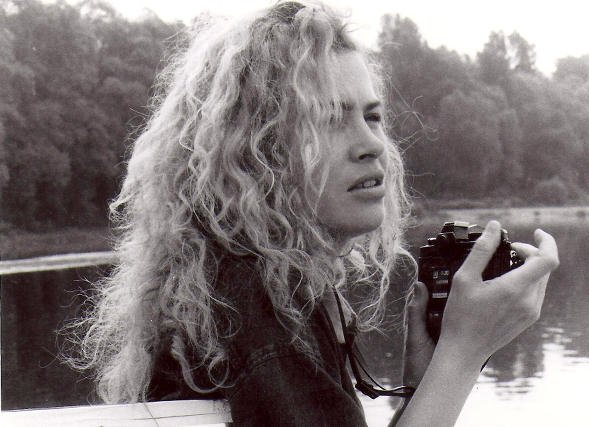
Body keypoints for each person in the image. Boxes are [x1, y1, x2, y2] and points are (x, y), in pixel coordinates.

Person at [68, 2, 559, 426]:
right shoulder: (250, 303)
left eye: (371, 116)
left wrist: (426, 381)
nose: (372, 145)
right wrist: (463, 353)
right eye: (328, 119)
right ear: (256, 150)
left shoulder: (258, 285)